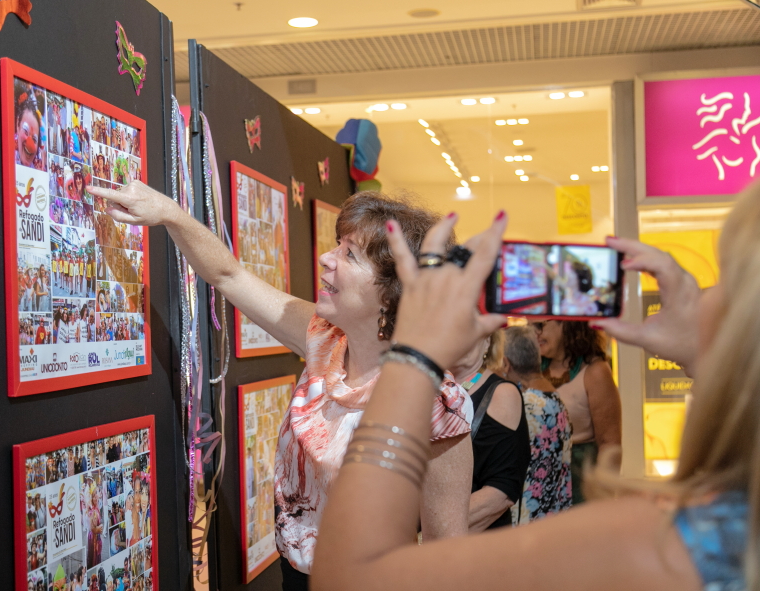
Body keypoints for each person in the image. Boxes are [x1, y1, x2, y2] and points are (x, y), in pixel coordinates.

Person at [311, 192, 755, 591]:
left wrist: (414, 352)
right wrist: (711, 351)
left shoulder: (682, 546)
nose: (706, 295)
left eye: (728, 280)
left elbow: (350, 578)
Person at [88, 181, 475, 590]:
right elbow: (228, 275)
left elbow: (445, 557)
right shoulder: (324, 339)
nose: (327, 258)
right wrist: (169, 213)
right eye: (338, 245)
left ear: (392, 293)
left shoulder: (435, 405)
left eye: (350, 254)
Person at [534, 319, 621, 503]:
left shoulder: (595, 372)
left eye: (540, 325)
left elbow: (610, 444)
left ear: (566, 323)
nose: (535, 333)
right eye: (530, 327)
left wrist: (602, 496)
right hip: (536, 484)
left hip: (579, 483)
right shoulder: (530, 368)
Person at [450, 330, 529, 532]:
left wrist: (432, 533)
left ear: (487, 342)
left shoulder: (502, 394)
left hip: (473, 540)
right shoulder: (430, 388)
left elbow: (500, 492)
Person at [500, 325, 572, 525]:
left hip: (528, 519)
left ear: (506, 364)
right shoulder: (555, 398)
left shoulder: (525, 405)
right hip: (554, 516)